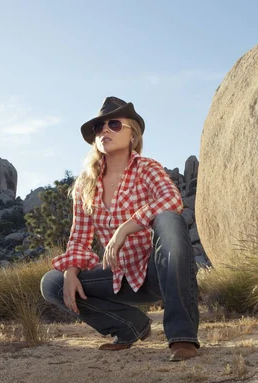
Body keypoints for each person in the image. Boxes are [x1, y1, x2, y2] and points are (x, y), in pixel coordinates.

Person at [40, 96, 199, 361]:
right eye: (100, 126)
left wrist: (126, 227)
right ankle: (130, 326)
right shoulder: (85, 184)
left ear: (132, 136)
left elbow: (172, 200)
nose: (104, 130)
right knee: (52, 283)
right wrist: (70, 272)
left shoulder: (147, 168)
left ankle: (182, 338)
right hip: (118, 276)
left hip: (158, 272)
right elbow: (79, 237)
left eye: (113, 124)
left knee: (169, 220)